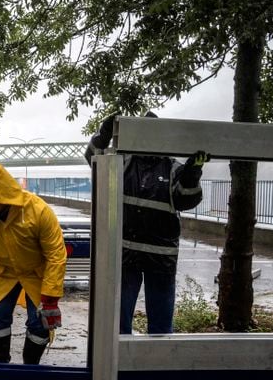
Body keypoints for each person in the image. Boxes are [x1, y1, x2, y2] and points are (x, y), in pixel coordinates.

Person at [85, 112, 208, 334]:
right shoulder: (124, 162)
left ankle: (157, 367)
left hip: (160, 260)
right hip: (126, 257)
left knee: (160, 328)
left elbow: (185, 201)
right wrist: (103, 135)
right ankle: (120, 367)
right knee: (118, 326)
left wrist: (192, 174)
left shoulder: (173, 168)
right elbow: (95, 160)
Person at [0, 163, 66, 364]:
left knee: (40, 322)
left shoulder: (38, 211)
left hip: (35, 273)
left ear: (3, 197)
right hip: (3, 272)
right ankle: (1, 365)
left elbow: (56, 254)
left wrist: (51, 299)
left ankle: (30, 367)